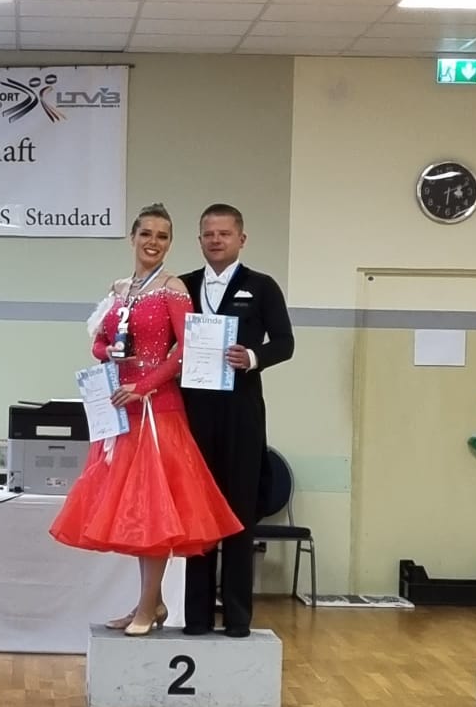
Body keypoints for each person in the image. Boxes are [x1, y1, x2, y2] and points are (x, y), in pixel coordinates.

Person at [50, 203, 242, 635]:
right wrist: (111, 353)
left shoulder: (173, 288)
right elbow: (98, 342)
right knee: (136, 514)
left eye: (162, 236)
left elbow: (187, 349)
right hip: (122, 409)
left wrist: (146, 384)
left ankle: (147, 607)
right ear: (132, 237)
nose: (153, 242)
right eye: (147, 234)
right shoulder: (120, 288)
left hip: (158, 411)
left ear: (170, 243)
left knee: (153, 513)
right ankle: (149, 604)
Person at [180, 204, 295, 636]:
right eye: (208, 234)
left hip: (242, 412)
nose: (216, 240)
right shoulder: (183, 286)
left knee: (239, 513)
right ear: (200, 240)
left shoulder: (262, 286)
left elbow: (284, 342)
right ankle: (195, 617)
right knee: (198, 513)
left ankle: (238, 618)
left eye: (224, 233)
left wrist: (253, 356)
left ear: (241, 239)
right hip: (193, 412)